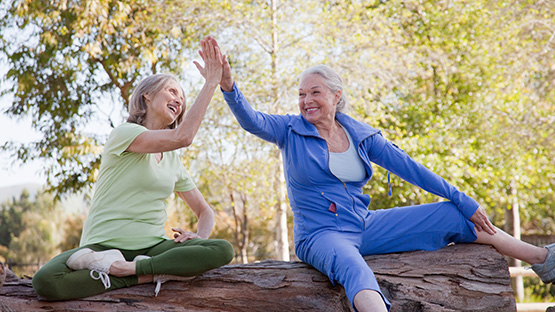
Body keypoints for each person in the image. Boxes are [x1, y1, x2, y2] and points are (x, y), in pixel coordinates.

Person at [216, 47, 555, 310]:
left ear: (336, 96)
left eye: (315, 93)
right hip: (320, 235)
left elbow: (412, 170)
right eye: (302, 94)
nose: (306, 101)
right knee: (354, 266)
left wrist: (464, 200)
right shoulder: (288, 129)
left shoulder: (360, 135)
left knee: (452, 214)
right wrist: (229, 85)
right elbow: (251, 119)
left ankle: (542, 259)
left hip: (363, 224)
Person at [32, 36, 234, 300]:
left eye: (182, 98)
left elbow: (205, 211)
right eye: (172, 91)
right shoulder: (125, 134)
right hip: (100, 247)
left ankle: (131, 271)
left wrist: (197, 236)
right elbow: (183, 137)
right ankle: (141, 274)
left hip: (151, 248)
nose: (179, 100)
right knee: (46, 281)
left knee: (221, 249)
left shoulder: (173, 160)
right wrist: (211, 82)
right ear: (147, 96)